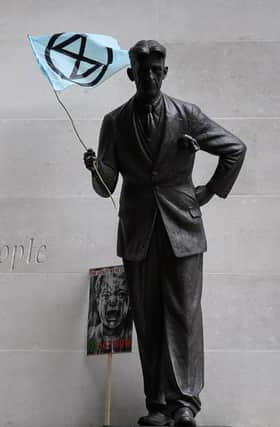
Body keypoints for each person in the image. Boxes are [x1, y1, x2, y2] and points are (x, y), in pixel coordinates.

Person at [83, 40, 246, 427]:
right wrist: (95, 169)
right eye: (143, 72)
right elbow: (107, 186)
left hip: (183, 230)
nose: (151, 78)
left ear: (165, 72)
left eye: (157, 71)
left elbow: (235, 149)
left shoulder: (187, 115)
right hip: (138, 232)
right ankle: (156, 404)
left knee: (184, 316)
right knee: (147, 316)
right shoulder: (114, 122)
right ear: (131, 75)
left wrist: (207, 191)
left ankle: (185, 402)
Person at [87, 269, 132, 354]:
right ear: (98, 299)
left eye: (121, 294)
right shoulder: (91, 336)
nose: (113, 301)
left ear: (129, 302)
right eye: (106, 294)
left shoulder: (133, 337)